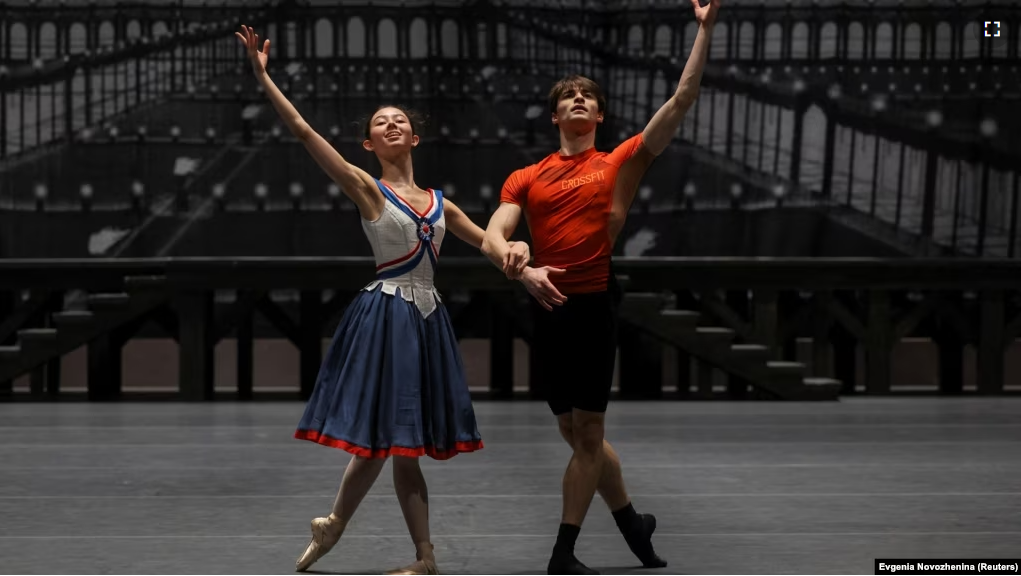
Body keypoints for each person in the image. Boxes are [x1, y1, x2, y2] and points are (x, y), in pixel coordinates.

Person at [234, 26, 530, 576]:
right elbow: (302, 131)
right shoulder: (367, 187)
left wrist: (521, 256)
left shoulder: (442, 203)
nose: (392, 124)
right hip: (387, 314)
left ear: (415, 138)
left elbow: (492, 245)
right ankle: (389, 543)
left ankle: (389, 544)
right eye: (379, 123)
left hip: (426, 318)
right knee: (386, 439)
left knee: (403, 442)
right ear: (369, 144)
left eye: (400, 120)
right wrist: (263, 77)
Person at [482, 1, 721, 573]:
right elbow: (494, 231)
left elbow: (682, 98)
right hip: (547, 306)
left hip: (591, 306)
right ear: (555, 116)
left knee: (588, 431)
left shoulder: (618, 162)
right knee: (573, 430)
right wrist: (516, 260)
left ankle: (562, 552)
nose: (580, 100)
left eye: (589, 96)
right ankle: (634, 528)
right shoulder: (528, 176)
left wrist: (705, 30)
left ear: (600, 116)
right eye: (570, 96)